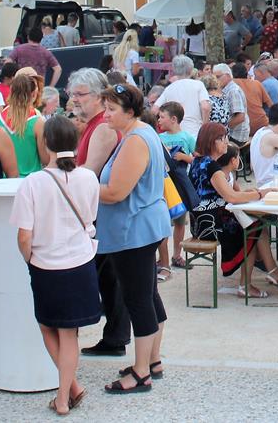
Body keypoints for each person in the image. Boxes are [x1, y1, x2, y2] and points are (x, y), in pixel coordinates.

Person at [12, 114, 101, 416]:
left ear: (46, 143)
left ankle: (64, 396)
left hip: (45, 263)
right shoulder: (89, 177)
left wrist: (29, 258)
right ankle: (69, 389)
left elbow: (24, 235)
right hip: (80, 260)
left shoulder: (33, 183)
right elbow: (90, 218)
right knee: (69, 332)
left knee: (47, 323)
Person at [96, 83, 170, 394]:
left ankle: (142, 372)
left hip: (133, 231)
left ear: (129, 112)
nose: (106, 115)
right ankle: (151, 360)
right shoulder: (141, 133)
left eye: (112, 109)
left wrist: (79, 185)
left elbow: (115, 192)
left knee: (137, 299)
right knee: (148, 295)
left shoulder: (136, 140)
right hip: (142, 227)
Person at [185, 122, 278, 299]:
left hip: (200, 222)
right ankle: (246, 285)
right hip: (211, 225)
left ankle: (271, 270)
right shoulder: (211, 167)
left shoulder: (198, 162)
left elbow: (227, 194)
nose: (226, 142)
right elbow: (231, 197)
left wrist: (249, 194)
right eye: (222, 138)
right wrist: (260, 193)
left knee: (257, 224)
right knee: (252, 229)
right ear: (212, 142)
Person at [156, 102, 193, 275]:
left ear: (173, 119)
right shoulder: (158, 138)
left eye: (162, 117)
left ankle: (177, 255)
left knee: (179, 220)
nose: (159, 120)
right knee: (163, 222)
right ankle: (161, 257)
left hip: (179, 183)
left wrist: (184, 156)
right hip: (164, 183)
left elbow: (198, 159)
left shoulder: (187, 137)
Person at [0, 70, 48, 175]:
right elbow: (45, 159)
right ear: (33, 94)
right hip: (31, 182)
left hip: (4, 182)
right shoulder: (38, 122)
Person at [153, 55, 211, 142]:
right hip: (195, 133)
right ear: (191, 70)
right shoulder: (198, 85)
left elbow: (154, 110)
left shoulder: (169, 88)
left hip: (174, 136)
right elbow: (205, 107)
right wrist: (204, 128)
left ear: (174, 70)